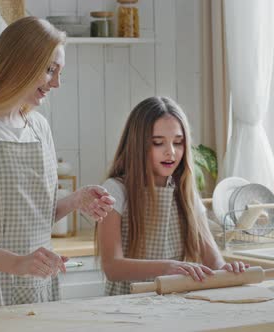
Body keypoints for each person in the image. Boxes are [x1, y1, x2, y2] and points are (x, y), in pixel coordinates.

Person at [0, 17, 114, 312]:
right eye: (50, 70)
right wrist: (16, 263)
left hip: (33, 290)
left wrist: (76, 201)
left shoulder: (38, 127)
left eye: (59, 71)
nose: (57, 83)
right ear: (18, 63)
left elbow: (32, 217)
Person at [97, 96, 247, 295]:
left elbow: (213, 260)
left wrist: (226, 270)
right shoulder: (115, 190)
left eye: (178, 143)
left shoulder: (185, 192)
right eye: (158, 143)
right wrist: (168, 268)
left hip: (175, 304)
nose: (171, 152)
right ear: (137, 145)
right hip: (128, 305)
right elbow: (112, 268)